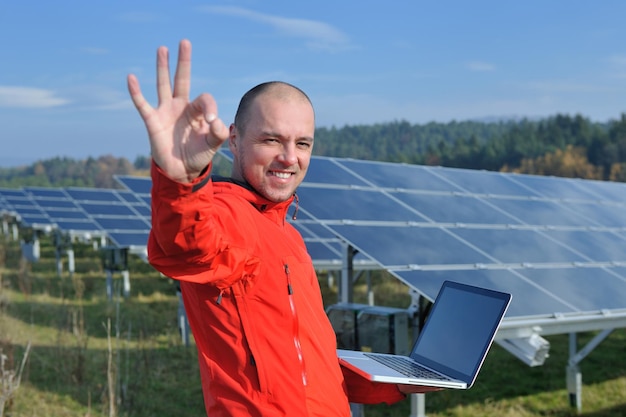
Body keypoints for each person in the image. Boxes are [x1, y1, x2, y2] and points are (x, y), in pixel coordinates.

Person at [127, 39, 437, 417]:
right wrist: (181, 182)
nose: (289, 157)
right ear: (234, 139)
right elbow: (186, 247)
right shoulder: (227, 216)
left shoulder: (286, 232)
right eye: (271, 139)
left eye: (302, 143)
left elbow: (306, 366)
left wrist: (396, 383)